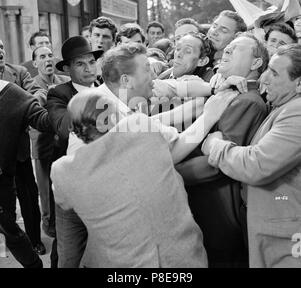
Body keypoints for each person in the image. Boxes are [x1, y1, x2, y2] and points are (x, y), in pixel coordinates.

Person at [51, 44, 239, 267]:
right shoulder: (109, 115)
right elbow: (170, 147)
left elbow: (172, 89)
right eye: (146, 69)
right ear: (126, 81)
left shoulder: (122, 101)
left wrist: (212, 92)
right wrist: (209, 118)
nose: (153, 76)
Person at [202, 43, 301, 268]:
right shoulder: (284, 104)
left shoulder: (297, 112)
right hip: (272, 228)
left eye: (275, 73)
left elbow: (256, 165)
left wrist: (215, 144)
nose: (265, 79)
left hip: (287, 240)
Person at [177, 33, 269, 268]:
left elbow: (216, 163)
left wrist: (173, 175)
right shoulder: (229, 93)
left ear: (256, 63)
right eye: (226, 48)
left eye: (235, 49)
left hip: (216, 206)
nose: (226, 51)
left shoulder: (247, 100)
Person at [46, 36, 104, 268]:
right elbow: (62, 128)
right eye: (80, 64)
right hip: (70, 187)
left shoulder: (107, 89)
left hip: (103, 184)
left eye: (91, 61)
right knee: (67, 255)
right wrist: (91, 98)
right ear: (68, 69)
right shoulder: (58, 93)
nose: (89, 68)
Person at [0, 38, 48, 255]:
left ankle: (34, 241)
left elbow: (37, 92)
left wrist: (21, 106)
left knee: (28, 197)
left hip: (18, 150)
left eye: (1, 46)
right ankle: (13, 243)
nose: (0, 51)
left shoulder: (18, 72)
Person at [29, 46, 69, 238]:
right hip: (43, 143)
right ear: (35, 63)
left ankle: (62, 223)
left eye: (50, 55)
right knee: (45, 188)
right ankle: (48, 224)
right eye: (42, 57)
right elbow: (35, 102)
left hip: (64, 142)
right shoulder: (32, 85)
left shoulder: (64, 81)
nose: (48, 60)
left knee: (62, 185)